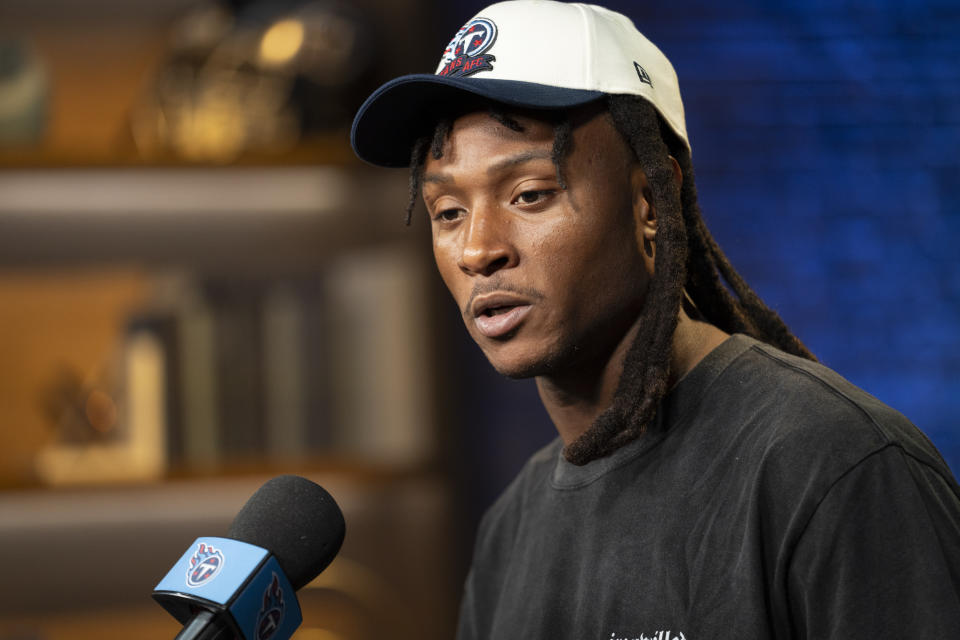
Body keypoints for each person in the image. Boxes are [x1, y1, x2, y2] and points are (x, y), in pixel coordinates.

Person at [350, 1, 960, 638]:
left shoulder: (832, 467)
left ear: (650, 201)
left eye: (529, 194)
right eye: (448, 211)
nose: (478, 249)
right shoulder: (511, 531)